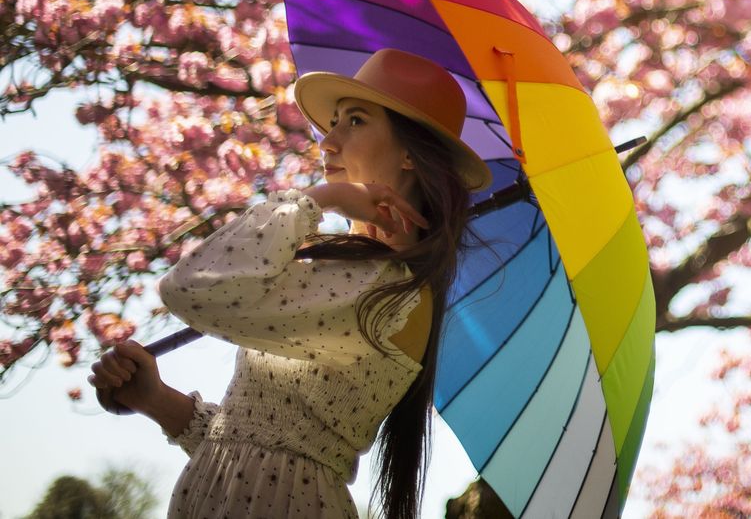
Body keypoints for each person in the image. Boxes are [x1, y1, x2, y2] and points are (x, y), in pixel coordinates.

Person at [88, 49, 493, 519]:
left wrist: (320, 198)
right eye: (334, 121)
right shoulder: (345, 268)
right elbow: (248, 441)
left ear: (409, 154)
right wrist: (154, 400)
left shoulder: (385, 292)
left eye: (356, 122)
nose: (327, 141)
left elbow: (187, 287)